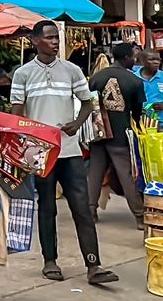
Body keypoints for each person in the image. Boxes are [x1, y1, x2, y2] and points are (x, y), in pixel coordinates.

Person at [11, 21, 100, 283]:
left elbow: (87, 102)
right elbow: (17, 114)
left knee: (81, 207)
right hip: (41, 153)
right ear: (36, 40)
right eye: (49, 38)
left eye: (56, 38)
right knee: (47, 207)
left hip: (70, 150)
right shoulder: (23, 74)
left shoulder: (72, 70)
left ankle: (93, 264)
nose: (54, 42)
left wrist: (77, 123)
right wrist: (24, 143)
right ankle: (50, 261)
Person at [86, 42, 146, 228]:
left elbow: (90, 103)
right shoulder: (134, 81)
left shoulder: (96, 77)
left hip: (99, 131)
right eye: (133, 57)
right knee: (127, 174)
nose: (134, 60)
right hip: (121, 133)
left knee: (94, 173)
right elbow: (137, 111)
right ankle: (139, 215)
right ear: (127, 57)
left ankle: (90, 211)